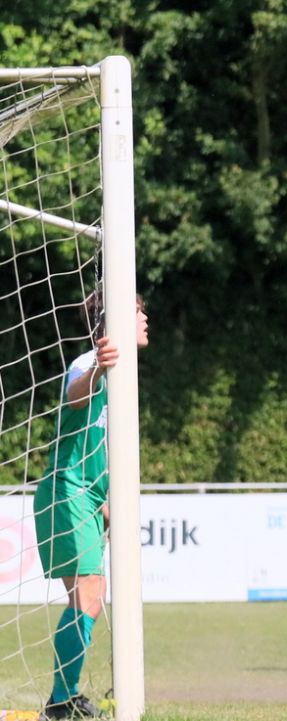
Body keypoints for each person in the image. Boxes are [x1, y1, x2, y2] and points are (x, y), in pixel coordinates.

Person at [33, 291, 148, 720]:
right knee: (90, 594)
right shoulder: (89, 363)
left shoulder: (125, 377)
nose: (145, 318)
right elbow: (76, 394)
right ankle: (61, 700)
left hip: (88, 496)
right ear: (115, 320)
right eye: (138, 312)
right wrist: (99, 366)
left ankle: (64, 697)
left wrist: (107, 505)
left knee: (87, 597)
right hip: (68, 490)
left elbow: (100, 448)